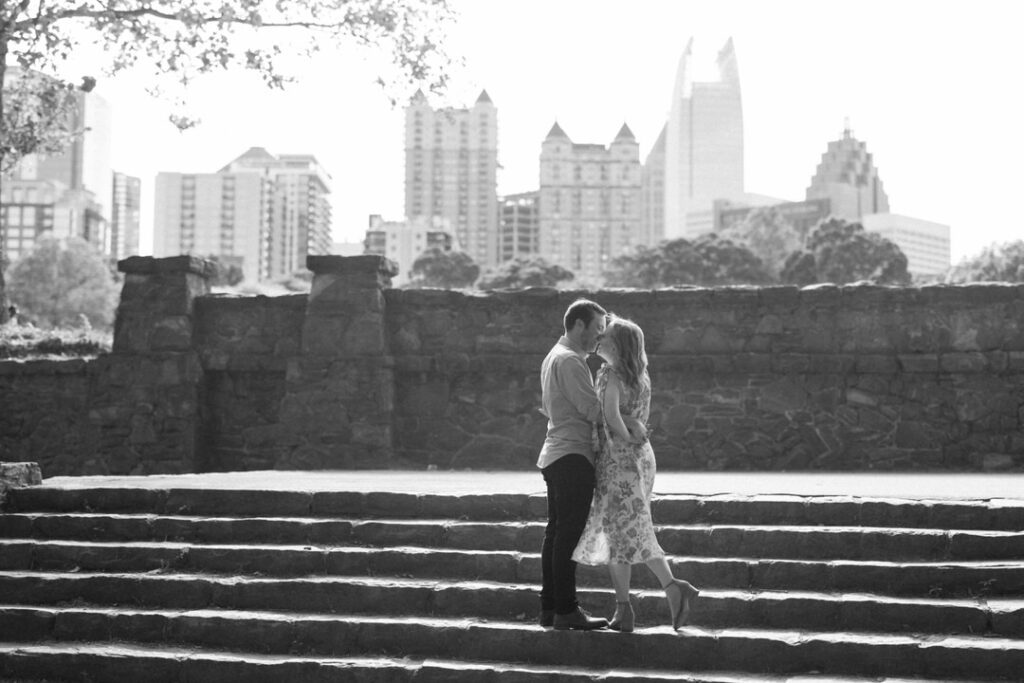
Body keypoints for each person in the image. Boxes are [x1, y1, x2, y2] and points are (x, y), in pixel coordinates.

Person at [572, 315, 699, 632]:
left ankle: (636, 605)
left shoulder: (610, 373)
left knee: (622, 535)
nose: (599, 338)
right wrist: (631, 429)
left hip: (620, 461)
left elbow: (610, 415)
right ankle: (656, 595)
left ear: (617, 345)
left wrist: (624, 434)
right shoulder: (641, 375)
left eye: (606, 335)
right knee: (630, 532)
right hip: (641, 458)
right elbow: (626, 415)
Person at [537, 298, 647, 631]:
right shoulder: (570, 360)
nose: (599, 336)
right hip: (571, 456)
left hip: (557, 453)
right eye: (597, 328)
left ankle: (551, 608)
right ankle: (566, 610)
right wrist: (631, 422)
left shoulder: (554, 356)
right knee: (566, 537)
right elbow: (593, 410)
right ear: (579, 325)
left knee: (556, 534)